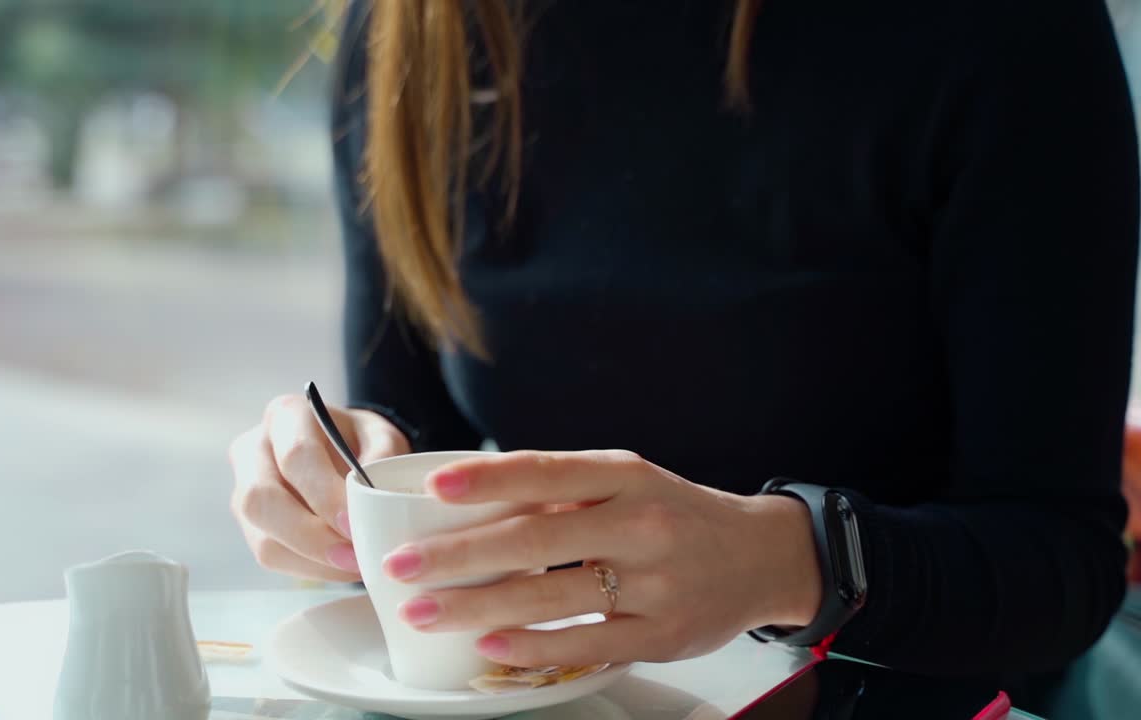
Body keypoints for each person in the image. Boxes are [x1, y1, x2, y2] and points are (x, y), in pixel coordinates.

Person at [228, 0, 1138, 701]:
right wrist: (340, 475)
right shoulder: (417, 30)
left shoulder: (1000, 29)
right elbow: (409, 426)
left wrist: (788, 561)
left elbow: (1061, 559)